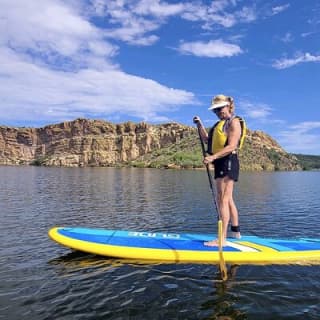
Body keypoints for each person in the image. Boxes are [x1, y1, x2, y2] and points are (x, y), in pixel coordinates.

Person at [193, 94, 246, 246]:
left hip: (228, 161)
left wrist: (212, 158)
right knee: (227, 198)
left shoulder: (234, 122)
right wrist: (199, 125)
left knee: (222, 199)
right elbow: (206, 140)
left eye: (220, 108)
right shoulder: (218, 125)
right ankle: (235, 232)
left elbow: (232, 146)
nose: (218, 112)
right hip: (220, 162)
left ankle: (221, 239)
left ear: (228, 106)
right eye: (215, 110)